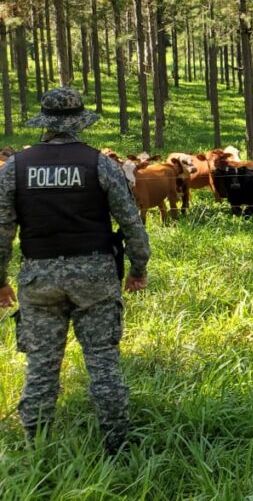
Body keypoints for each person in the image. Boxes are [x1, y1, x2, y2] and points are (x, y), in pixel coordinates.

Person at [0, 87, 151, 454]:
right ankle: (116, 448)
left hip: (39, 279)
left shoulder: (14, 168)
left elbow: (2, 231)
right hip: (95, 278)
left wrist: (0, 280)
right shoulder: (99, 163)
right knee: (103, 364)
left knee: (41, 366)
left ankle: (36, 449)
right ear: (79, 123)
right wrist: (138, 267)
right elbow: (131, 221)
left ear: (45, 123)